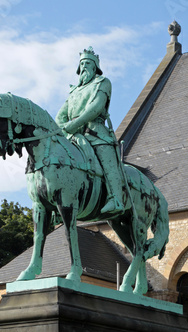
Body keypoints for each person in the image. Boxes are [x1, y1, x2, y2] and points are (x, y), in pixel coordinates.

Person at [56, 47, 124, 215]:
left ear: (95, 67)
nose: (84, 66)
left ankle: (116, 199)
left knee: (108, 163)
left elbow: (96, 107)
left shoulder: (102, 82)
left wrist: (74, 124)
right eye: (82, 64)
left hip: (96, 134)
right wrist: (64, 127)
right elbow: (60, 116)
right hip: (73, 136)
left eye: (88, 63)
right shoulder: (73, 91)